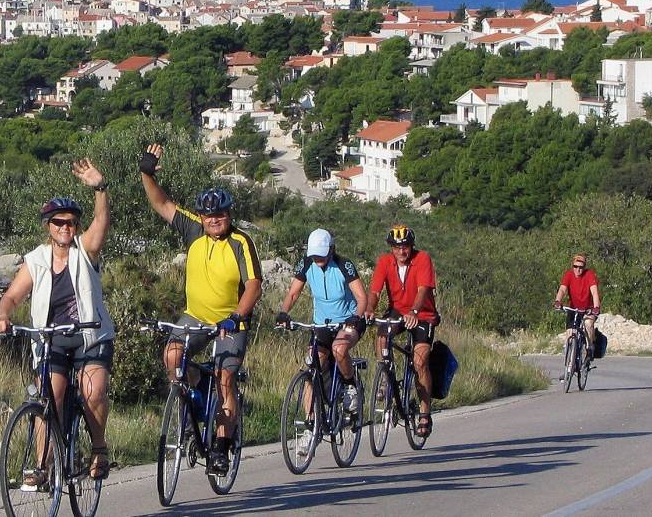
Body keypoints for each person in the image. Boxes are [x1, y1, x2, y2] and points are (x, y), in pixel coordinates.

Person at [139, 143, 263, 475]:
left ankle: (221, 449)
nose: (213, 220)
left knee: (225, 379)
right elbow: (161, 203)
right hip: (195, 315)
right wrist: (146, 172)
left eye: (219, 215)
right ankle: (196, 389)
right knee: (172, 357)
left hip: (230, 321)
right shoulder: (194, 229)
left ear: (229, 214)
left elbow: (253, 285)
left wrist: (237, 316)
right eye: (209, 216)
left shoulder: (241, 242)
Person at [0, 159, 115, 484]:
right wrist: (3, 316)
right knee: (50, 396)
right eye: (59, 222)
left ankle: (99, 449)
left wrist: (100, 189)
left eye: (72, 222)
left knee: (93, 391)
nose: (65, 227)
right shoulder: (35, 260)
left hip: (90, 336)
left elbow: (101, 223)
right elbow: (12, 296)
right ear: (48, 225)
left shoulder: (84, 250)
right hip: (52, 339)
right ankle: (42, 466)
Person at [277, 228, 369, 425]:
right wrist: (284, 312)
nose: (318, 259)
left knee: (339, 349)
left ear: (331, 250)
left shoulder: (344, 265)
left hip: (349, 320)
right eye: (314, 255)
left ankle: (350, 387)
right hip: (322, 323)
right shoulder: (306, 264)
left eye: (322, 254)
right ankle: (312, 424)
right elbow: (293, 293)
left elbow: (362, 297)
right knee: (312, 364)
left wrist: (356, 316)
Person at [368, 224, 438, 438]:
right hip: (397, 311)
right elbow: (375, 290)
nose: (401, 252)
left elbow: (423, 289)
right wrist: (370, 308)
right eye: (396, 247)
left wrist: (415, 312)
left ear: (411, 246)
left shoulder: (422, 258)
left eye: (405, 247)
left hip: (422, 314)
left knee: (419, 362)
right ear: (391, 248)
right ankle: (384, 378)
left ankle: (425, 412)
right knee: (382, 336)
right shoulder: (384, 262)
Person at [554, 253, 601, 359]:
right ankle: (568, 366)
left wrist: (596, 307)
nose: (578, 269)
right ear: (572, 266)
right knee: (569, 333)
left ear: (584, 267)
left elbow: (594, 292)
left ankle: (590, 348)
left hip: (588, 309)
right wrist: (558, 301)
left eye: (581, 267)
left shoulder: (589, 275)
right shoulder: (568, 275)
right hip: (574, 309)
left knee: (588, 324)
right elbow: (562, 289)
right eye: (575, 266)